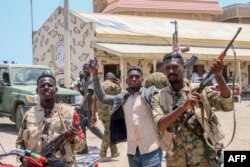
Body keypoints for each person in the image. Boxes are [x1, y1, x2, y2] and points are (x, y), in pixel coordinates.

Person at [152, 52, 234, 167]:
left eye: (175, 67)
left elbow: (227, 105)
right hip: (176, 161)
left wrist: (219, 76)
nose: (171, 71)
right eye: (167, 68)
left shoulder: (200, 89)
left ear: (184, 68)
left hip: (205, 158)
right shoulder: (158, 96)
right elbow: (160, 126)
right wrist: (183, 107)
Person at [91, 60, 162, 167]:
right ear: (126, 80)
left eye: (137, 77)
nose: (134, 79)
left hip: (151, 150)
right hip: (132, 152)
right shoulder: (122, 98)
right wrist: (95, 76)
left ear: (142, 79)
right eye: (131, 77)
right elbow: (102, 97)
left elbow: (164, 95)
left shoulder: (150, 94)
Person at [16, 73, 85, 167]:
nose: (46, 87)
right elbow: (19, 144)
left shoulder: (69, 113)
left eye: (50, 85)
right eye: (42, 85)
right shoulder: (29, 114)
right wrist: (23, 159)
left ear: (56, 90)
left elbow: (82, 146)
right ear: (37, 90)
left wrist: (72, 139)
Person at [91, 72, 121, 162]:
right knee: (108, 132)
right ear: (112, 78)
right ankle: (102, 154)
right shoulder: (114, 86)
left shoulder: (99, 86)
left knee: (110, 131)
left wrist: (93, 115)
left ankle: (114, 151)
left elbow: (93, 101)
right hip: (111, 113)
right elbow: (123, 96)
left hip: (101, 113)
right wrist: (119, 84)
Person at [78, 63, 104, 154]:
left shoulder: (92, 79)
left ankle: (106, 141)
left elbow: (89, 93)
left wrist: (81, 104)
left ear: (90, 69)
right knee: (81, 127)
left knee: (91, 127)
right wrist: (79, 89)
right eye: (84, 68)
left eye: (88, 68)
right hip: (84, 107)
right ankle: (84, 148)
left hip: (90, 107)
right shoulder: (83, 80)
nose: (86, 70)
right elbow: (84, 93)